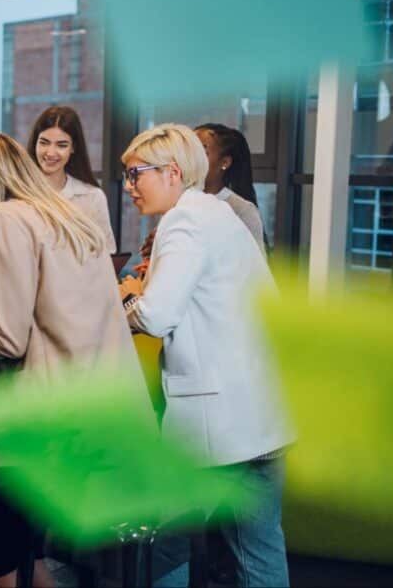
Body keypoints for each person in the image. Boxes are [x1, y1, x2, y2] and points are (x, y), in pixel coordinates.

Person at [0, 133, 149, 588]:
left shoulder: (5, 218)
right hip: (112, 410)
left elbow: (8, 341)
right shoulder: (66, 215)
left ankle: (11, 582)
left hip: (62, 420)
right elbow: (59, 306)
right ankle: (37, 576)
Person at [118, 123, 294, 588]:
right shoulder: (220, 216)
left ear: (172, 172)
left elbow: (155, 317)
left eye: (136, 174)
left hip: (216, 427)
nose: (129, 186)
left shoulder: (184, 220)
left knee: (166, 541)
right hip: (261, 417)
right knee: (259, 555)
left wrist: (125, 303)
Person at [27, 105, 116, 252]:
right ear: (35, 143)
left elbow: (107, 253)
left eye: (61, 145)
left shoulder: (92, 197)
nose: (50, 153)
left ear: (73, 148)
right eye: (44, 142)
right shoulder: (17, 193)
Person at [195, 123, 267, 253]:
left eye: (202, 153)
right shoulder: (178, 202)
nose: (193, 159)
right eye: (189, 152)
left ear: (225, 163)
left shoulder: (243, 211)